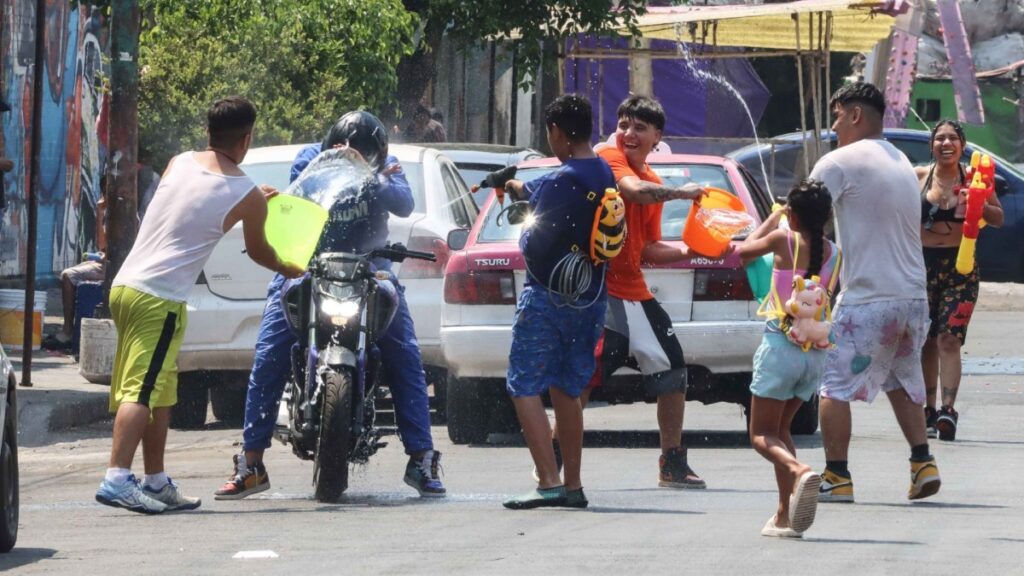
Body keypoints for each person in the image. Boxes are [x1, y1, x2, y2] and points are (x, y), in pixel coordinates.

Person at [215, 111, 447, 500]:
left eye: (360, 151)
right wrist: (338, 164)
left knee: (405, 354)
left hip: (371, 271)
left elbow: (404, 203)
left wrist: (369, 171)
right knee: (269, 353)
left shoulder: (387, 165)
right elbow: (303, 190)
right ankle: (251, 462)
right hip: (307, 267)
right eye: (343, 148)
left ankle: (421, 458)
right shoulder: (310, 157)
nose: (350, 154)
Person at [94, 96, 305, 514]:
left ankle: (155, 481)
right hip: (159, 298)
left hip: (127, 288)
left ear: (208, 132)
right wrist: (289, 267)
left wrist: (252, 199)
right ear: (246, 139)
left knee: (161, 391)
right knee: (142, 390)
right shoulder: (246, 193)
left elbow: (197, 203)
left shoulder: (179, 162)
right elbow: (260, 251)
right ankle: (116, 478)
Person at [809, 82, 941, 503]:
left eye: (836, 117)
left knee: (833, 384)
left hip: (868, 299)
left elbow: (803, 216)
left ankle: (837, 476)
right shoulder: (900, 160)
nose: (833, 127)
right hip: (912, 298)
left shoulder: (838, 162)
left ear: (854, 115)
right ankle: (922, 463)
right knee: (900, 378)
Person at [500, 94, 620, 510]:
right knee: (568, 388)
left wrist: (524, 230)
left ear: (557, 132)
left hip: (549, 299)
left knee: (523, 385)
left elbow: (535, 243)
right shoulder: (603, 171)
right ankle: (573, 485)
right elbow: (553, 194)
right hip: (591, 298)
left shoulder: (561, 180)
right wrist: (519, 187)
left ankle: (548, 481)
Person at [583, 95, 709, 489]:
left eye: (639, 127)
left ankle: (672, 463)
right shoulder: (608, 157)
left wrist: (695, 251)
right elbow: (633, 191)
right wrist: (682, 193)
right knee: (582, 375)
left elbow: (648, 248)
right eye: (623, 125)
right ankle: (554, 456)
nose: (628, 134)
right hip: (598, 291)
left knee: (672, 369)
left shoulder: (653, 180)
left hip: (634, 292)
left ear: (657, 136)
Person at [738, 180, 841, 538]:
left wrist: (773, 218)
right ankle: (784, 515)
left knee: (760, 435)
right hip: (813, 357)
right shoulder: (835, 254)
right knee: (780, 431)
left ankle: (799, 471)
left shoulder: (783, 239)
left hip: (780, 349)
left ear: (792, 215)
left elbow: (744, 252)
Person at [915, 120, 1003, 441]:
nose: (946, 143)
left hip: (961, 268)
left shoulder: (976, 179)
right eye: (940, 138)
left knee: (949, 339)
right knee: (926, 340)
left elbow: (998, 218)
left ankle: (947, 410)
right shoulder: (918, 177)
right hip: (921, 266)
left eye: (953, 138)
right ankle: (927, 409)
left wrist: (978, 203)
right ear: (932, 145)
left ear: (963, 146)